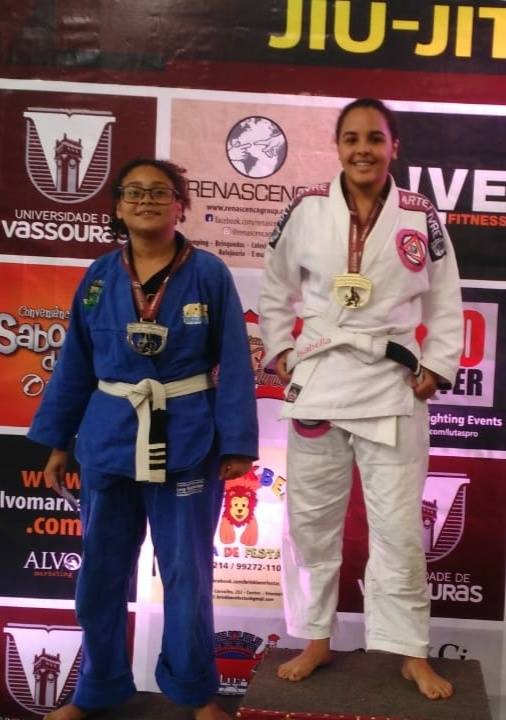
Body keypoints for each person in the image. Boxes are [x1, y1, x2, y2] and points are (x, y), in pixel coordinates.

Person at [28, 158, 258, 720]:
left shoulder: (208, 274)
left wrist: (236, 444)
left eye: (161, 192)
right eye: (134, 192)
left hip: (186, 438)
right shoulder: (99, 277)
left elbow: (234, 360)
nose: (146, 201)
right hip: (109, 438)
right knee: (100, 575)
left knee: (187, 575)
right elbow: (76, 362)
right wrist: (59, 442)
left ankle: (195, 690)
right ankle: (97, 687)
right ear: (117, 206)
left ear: (181, 205)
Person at [259, 98, 462, 700]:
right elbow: (275, 285)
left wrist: (438, 365)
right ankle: (315, 637)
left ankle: (410, 651)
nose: (363, 149)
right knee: (311, 522)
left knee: (399, 528)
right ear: (338, 146)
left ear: (394, 145)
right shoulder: (306, 208)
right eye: (351, 138)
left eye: (375, 138)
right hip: (321, 379)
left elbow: (445, 297)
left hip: (392, 382)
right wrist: (281, 349)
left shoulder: (420, 214)